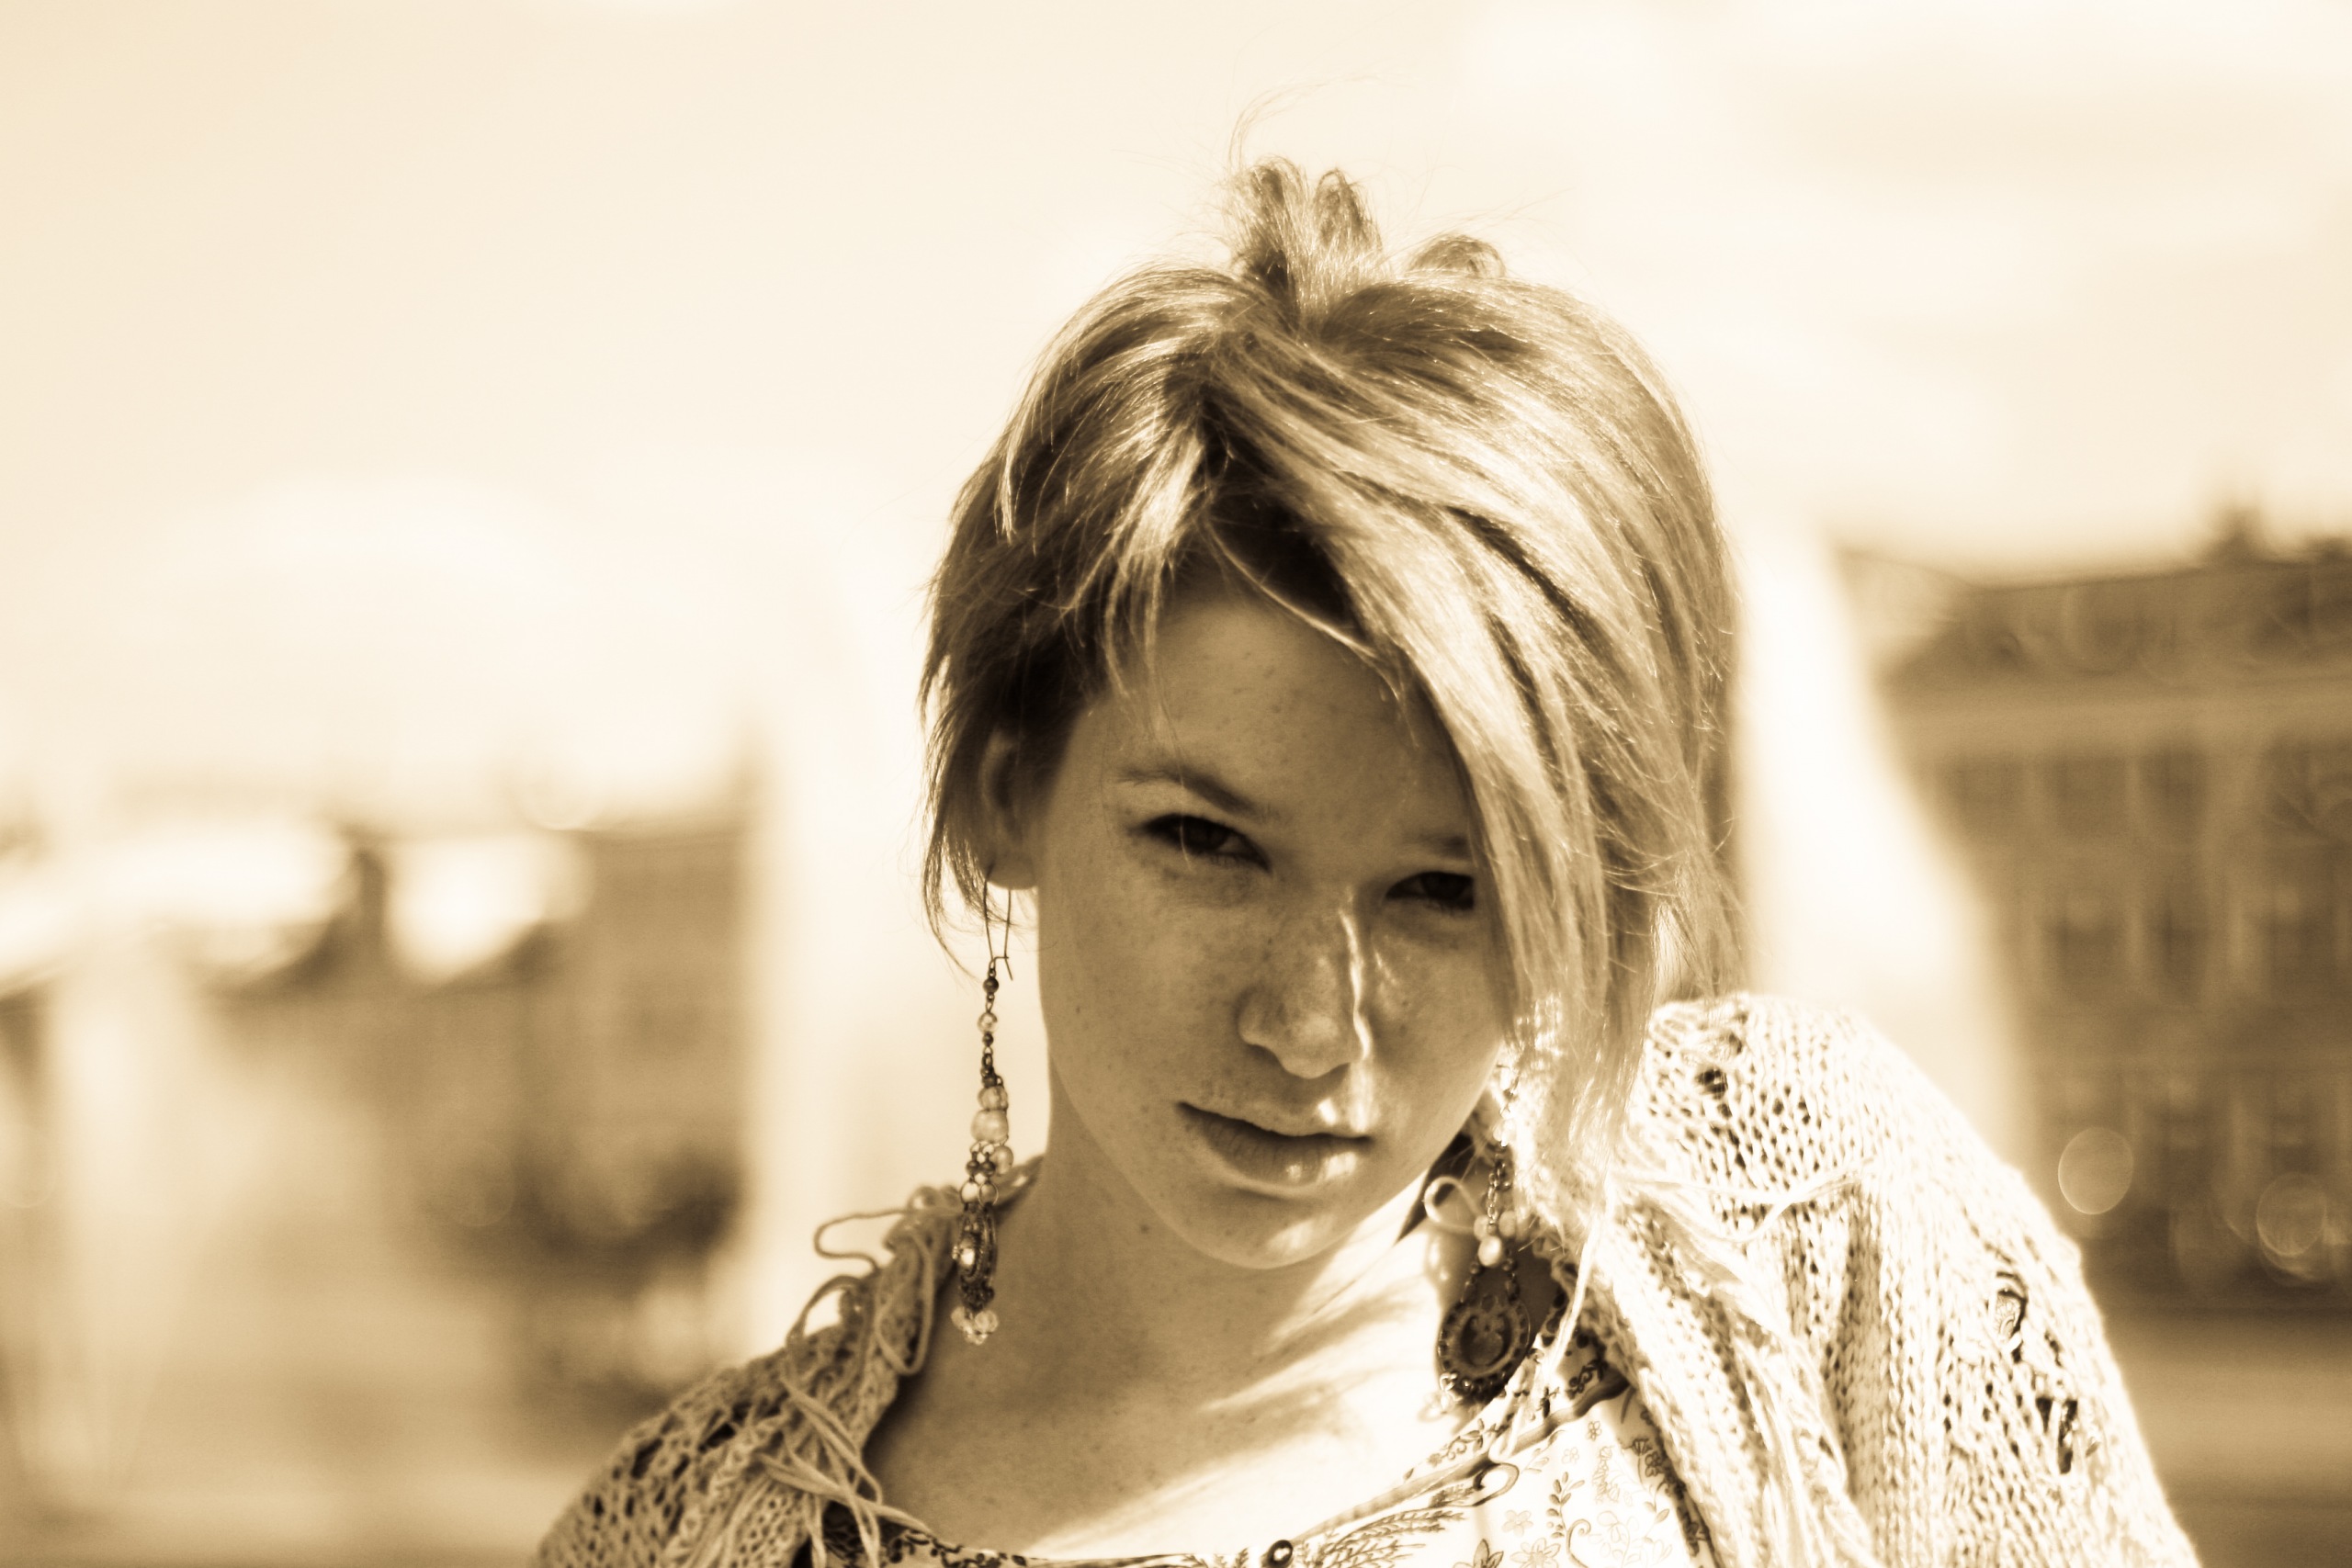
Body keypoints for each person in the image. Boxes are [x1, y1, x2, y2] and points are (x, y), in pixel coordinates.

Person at [537, 162, 2194, 1568]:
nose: (1313, 1029)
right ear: (998, 794)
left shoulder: (1823, 1230)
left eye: (1445, 890)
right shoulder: (675, 1538)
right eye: (1208, 845)